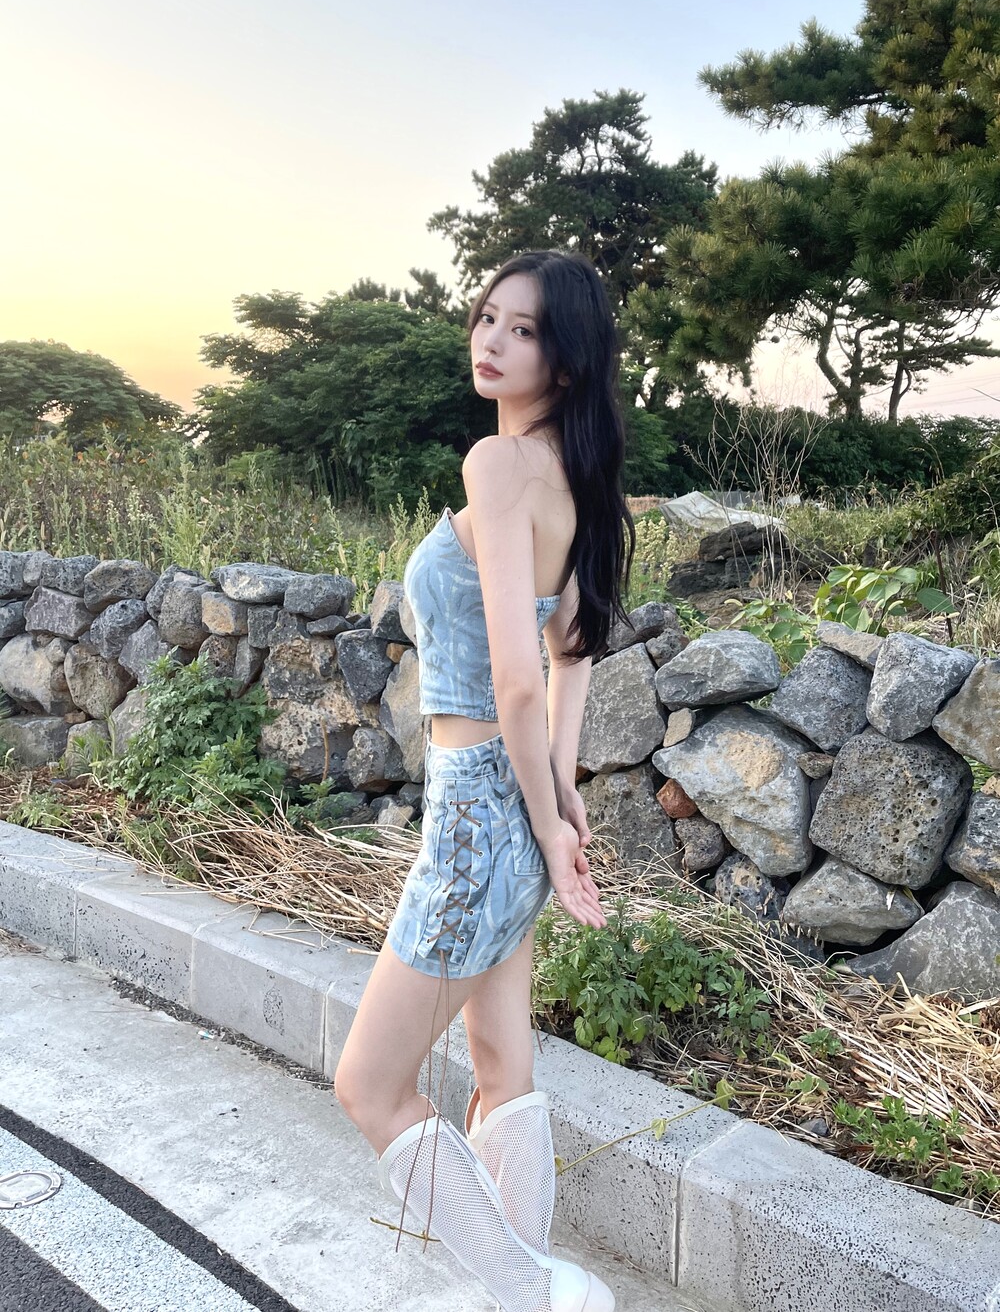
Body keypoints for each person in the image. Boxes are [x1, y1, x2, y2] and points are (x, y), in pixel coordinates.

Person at [334, 249, 635, 1312]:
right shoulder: (576, 480)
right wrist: (555, 800)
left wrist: (550, 823)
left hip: (475, 815)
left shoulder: (498, 465)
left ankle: (533, 1289)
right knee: (502, 1065)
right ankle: (532, 1294)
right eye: (487, 317)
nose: (492, 340)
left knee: (369, 1084)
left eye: (524, 328)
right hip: (509, 809)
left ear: (567, 358)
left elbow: (520, 675)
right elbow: (573, 654)